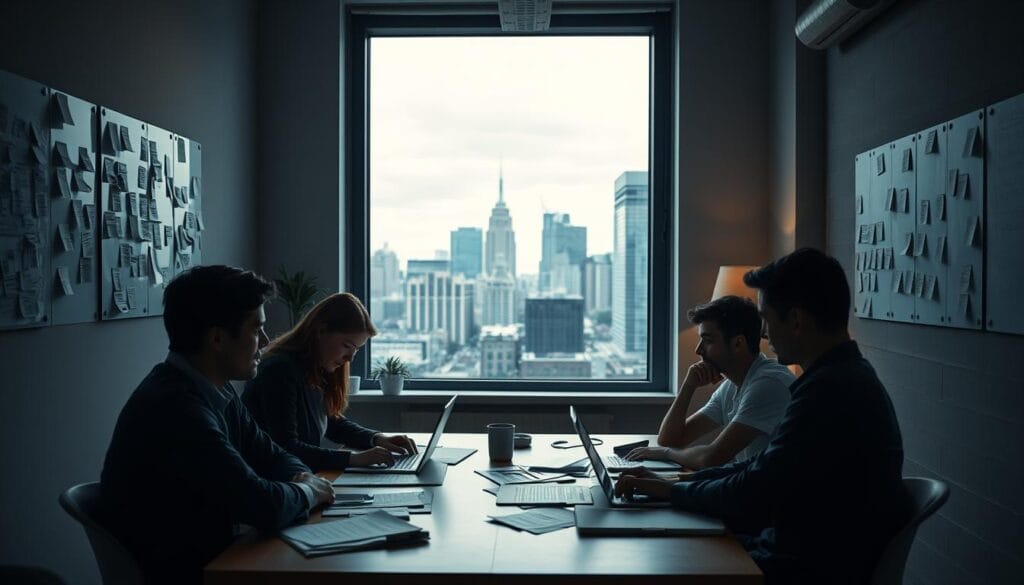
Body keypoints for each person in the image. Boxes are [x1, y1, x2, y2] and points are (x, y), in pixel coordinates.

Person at [615, 248, 908, 585]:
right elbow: (760, 468)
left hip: (802, 568)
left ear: (796, 321)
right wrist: (671, 484)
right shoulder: (841, 378)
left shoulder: (830, 392)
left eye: (767, 319)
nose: (764, 334)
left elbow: (753, 489)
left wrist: (671, 492)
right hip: (796, 549)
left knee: (658, 563)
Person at [101, 266, 334, 585]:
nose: (265, 342)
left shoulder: (216, 388)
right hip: (188, 573)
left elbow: (273, 454)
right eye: (256, 329)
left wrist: (298, 476)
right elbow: (262, 505)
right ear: (217, 339)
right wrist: (307, 489)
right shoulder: (175, 409)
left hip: (218, 557)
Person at [243, 292, 417, 471]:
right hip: (275, 485)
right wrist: (353, 459)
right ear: (321, 331)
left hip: (298, 479)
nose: (350, 358)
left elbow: (331, 422)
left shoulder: (314, 367)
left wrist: (377, 438)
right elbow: (286, 448)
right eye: (347, 346)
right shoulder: (279, 371)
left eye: (356, 349)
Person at [625, 295, 793, 469]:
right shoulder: (732, 386)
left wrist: (665, 454)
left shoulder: (768, 384)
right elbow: (670, 439)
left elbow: (710, 458)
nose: (698, 350)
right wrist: (688, 387)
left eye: (708, 340)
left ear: (738, 343)